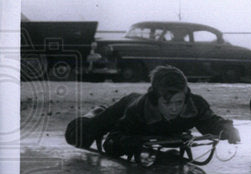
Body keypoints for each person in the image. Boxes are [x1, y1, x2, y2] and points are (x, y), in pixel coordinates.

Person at [64, 65, 240, 156]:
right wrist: (130, 143)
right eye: (168, 103)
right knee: (78, 137)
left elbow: (210, 122)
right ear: (156, 100)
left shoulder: (195, 105)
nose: (174, 109)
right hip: (125, 108)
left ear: (185, 97)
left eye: (179, 102)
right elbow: (111, 143)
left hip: (152, 127)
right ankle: (96, 113)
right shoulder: (139, 110)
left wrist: (226, 130)